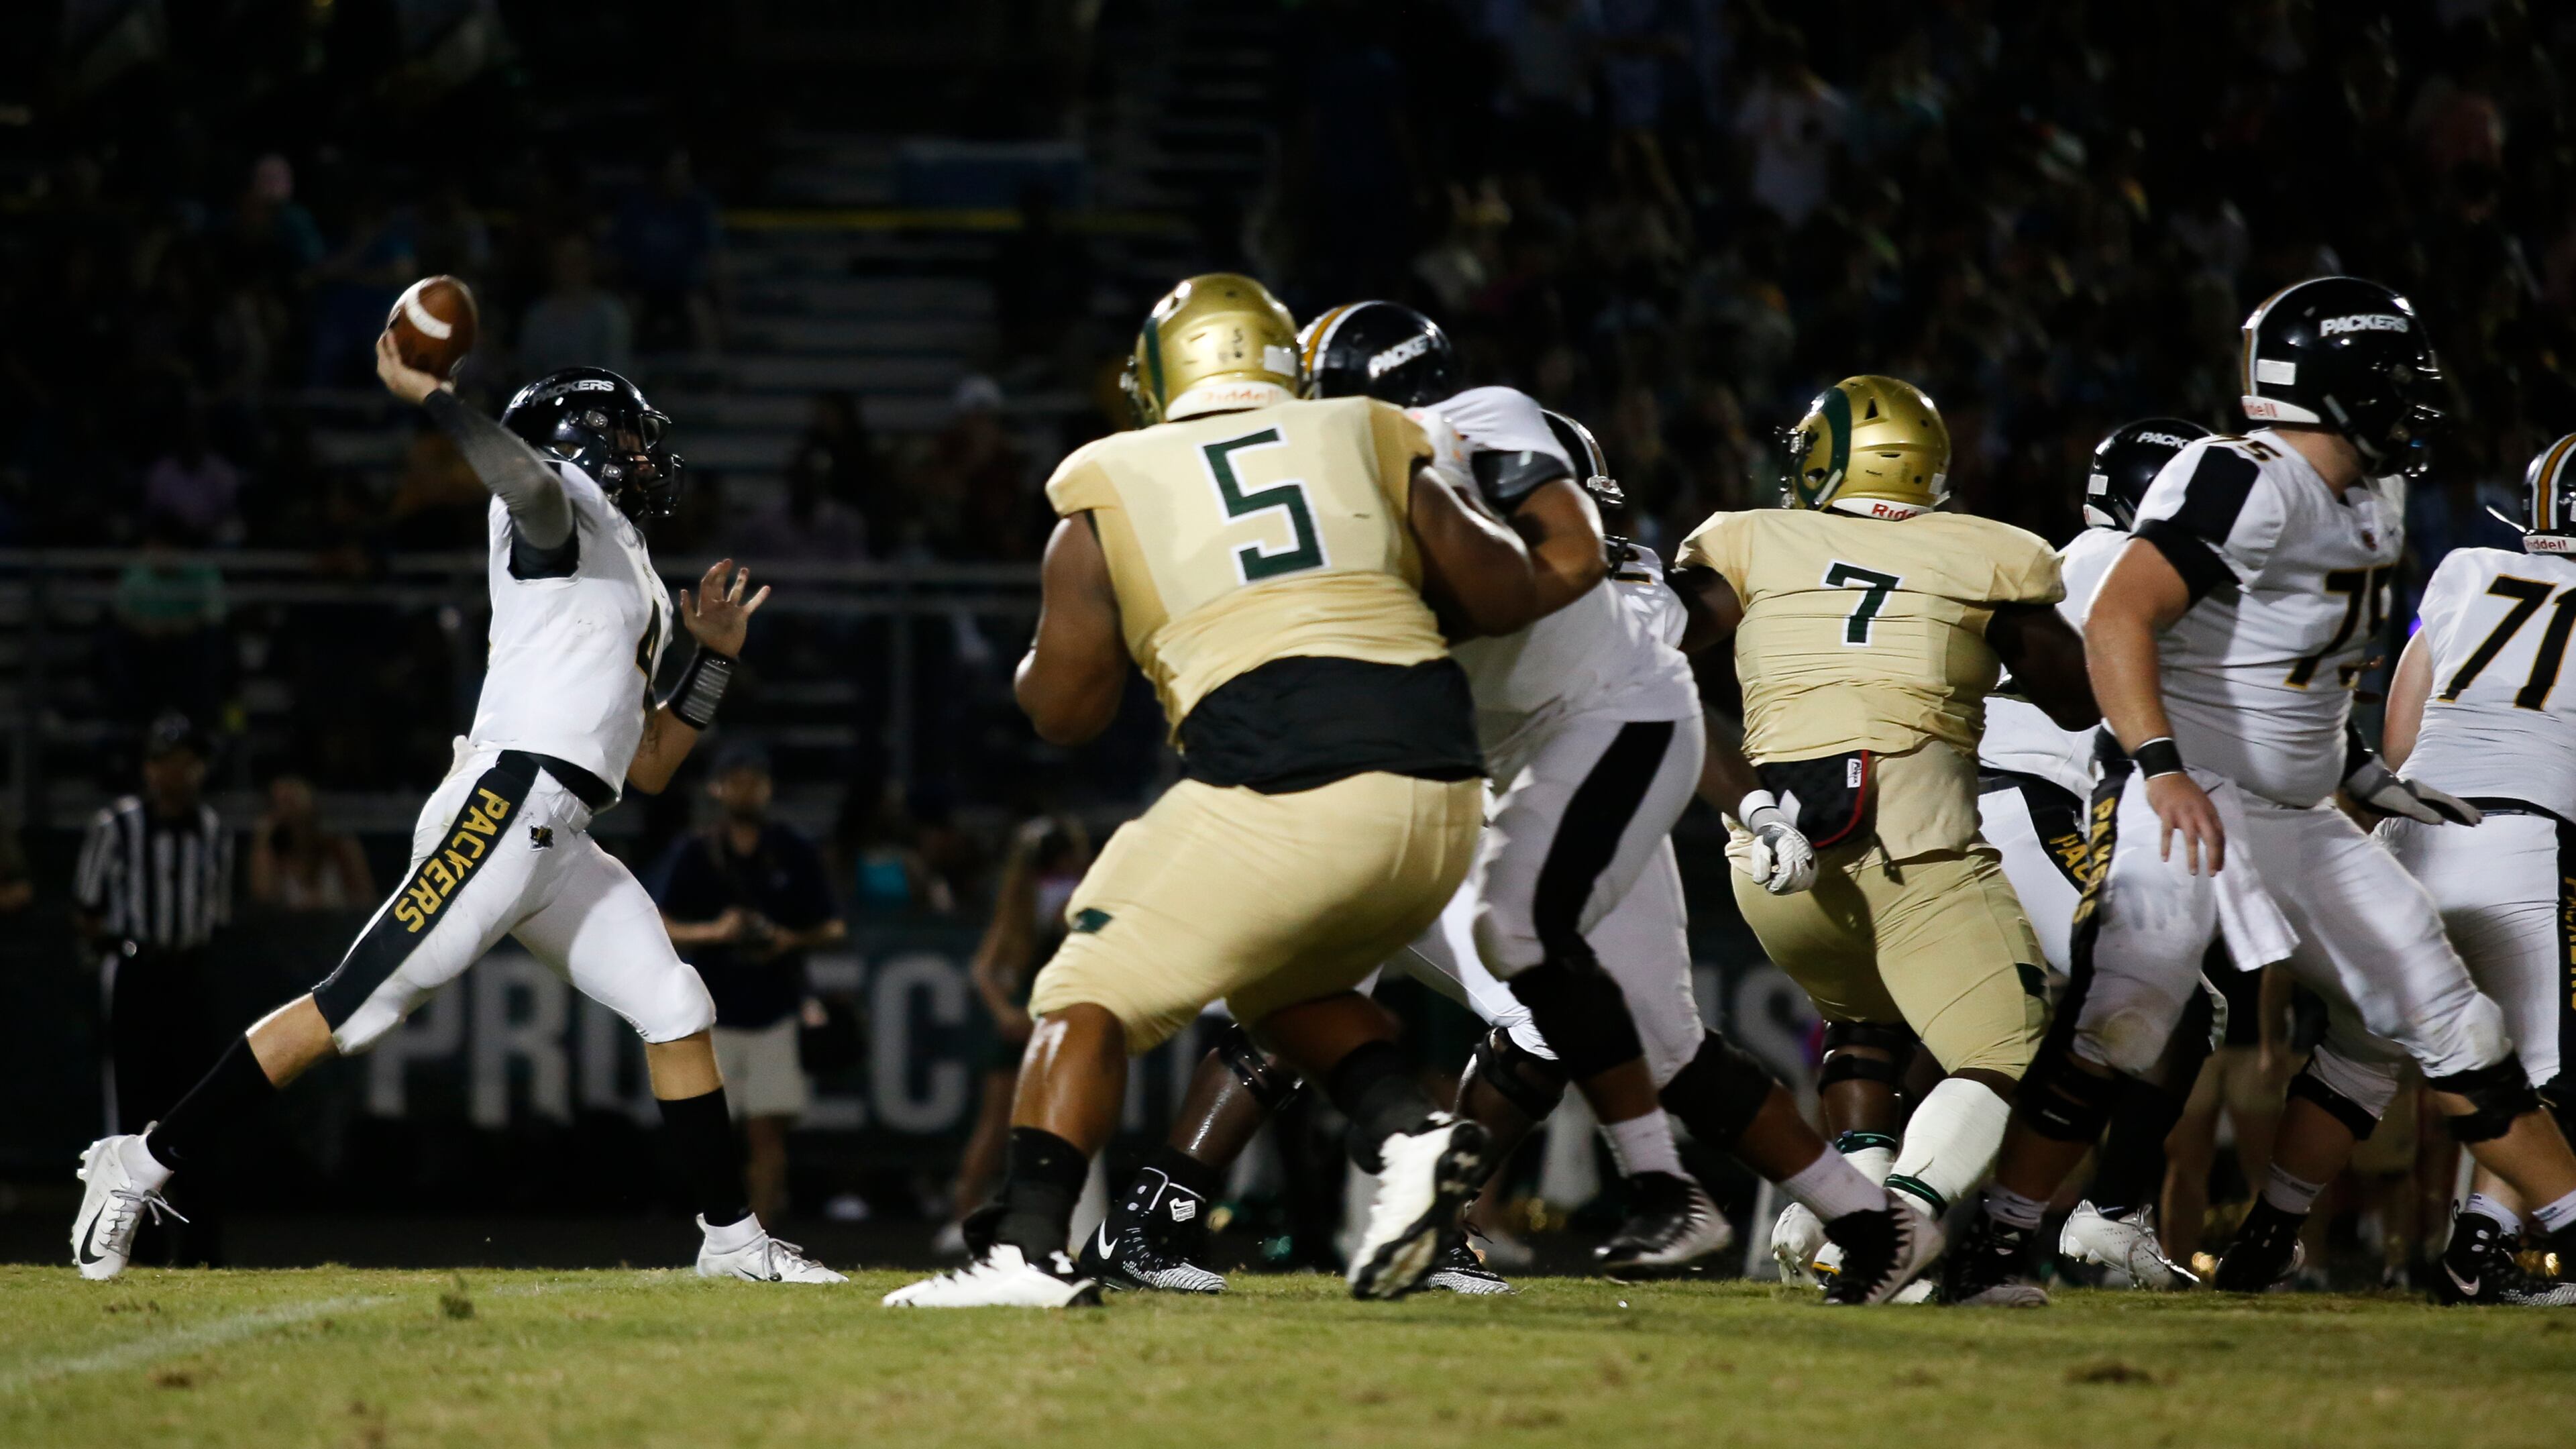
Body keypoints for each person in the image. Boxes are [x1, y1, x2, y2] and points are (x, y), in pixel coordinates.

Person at [1078, 304, 1926, 1304]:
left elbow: (1634, 654)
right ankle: (1246, 1218)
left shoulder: (1488, 461)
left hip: (1562, 771)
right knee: (1368, 985)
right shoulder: (1366, 498)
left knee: (1654, 1035)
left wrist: (1753, 806)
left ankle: (1867, 1224)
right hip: (1447, 782)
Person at [68, 334, 839, 1285]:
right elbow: (530, 485)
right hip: (508, 804)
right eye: (630, 436)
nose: (647, 457)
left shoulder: (627, 564)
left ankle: (732, 1242)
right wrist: (439, 398)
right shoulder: (561, 500)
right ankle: (136, 1164)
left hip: (565, 830)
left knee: (678, 1004)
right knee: (357, 1005)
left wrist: (712, 661)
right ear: (580, 440)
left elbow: (646, 766)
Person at [884, 272, 1543, 1307]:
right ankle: (1413, 1144)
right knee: (1288, 987)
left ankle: (1025, 1248)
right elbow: (1505, 590)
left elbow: (1063, 711)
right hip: (1445, 788)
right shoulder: (1367, 432)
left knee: (1083, 985)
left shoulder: (1108, 478)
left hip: (1286, 773)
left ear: (1158, 378)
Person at [1946, 276, 2576, 1307]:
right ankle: (1998, 1241)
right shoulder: (2242, 477)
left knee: (2446, 1016)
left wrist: (2364, 772)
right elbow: (2119, 619)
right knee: (2129, 1012)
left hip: (2291, 811)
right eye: (2393, 378)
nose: (2415, 397)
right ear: (2331, 387)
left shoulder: (2373, 495)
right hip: (2188, 790)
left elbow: (2298, 677)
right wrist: (2160, 767)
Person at [1668, 375, 2098, 1296]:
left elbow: (1657, 643)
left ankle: (1846, 1218)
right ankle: (1895, 1223)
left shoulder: (1748, 538)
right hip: (1917, 847)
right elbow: (2074, 698)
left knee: (1868, 1018)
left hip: (1770, 863)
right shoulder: (1989, 552)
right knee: (2015, 1048)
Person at [1975, 417, 2230, 1291]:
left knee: (1993, 1028)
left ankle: (1877, 1199)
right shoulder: (2113, 561)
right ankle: (2106, 1219)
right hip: (2031, 792)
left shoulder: (2082, 557)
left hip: (2021, 791)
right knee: (2174, 1003)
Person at [2375, 432, 2576, 1305]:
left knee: (2355, 1066)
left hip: (2407, 840)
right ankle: (2480, 1245)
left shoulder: (2462, 571)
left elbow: (2396, 734)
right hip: (2528, 844)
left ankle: (2272, 1237)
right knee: (2550, 1073)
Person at [652, 741, 846, 1229]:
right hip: (710, 1009)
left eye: (755, 780)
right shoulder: (695, 852)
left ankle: (761, 1234)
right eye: (736, 779)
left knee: (766, 1134)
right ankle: (722, 1230)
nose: (746, 790)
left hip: (774, 1007)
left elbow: (833, 926)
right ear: (718, 788)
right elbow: (660, 922)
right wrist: (716, 931)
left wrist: (787, 939)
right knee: (713, 1135)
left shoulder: (793, 849)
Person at [74, 712, 235, 1267]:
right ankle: (126, 1245)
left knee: (196, 1110)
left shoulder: (213, 830)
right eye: (170, 762)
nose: (180, 773)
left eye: (189, 762)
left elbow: (217, 914)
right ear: (149, 768)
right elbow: (89, 909)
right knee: (131, 1110)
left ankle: (198, 1247)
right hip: (136, 973)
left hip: (188, 972)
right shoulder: (116, 826)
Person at [938, 815, 1091, 1257]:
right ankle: (968, 1215)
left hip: (1042, 1019)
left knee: (1013, 1126)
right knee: (1016, 1125)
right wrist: (1009, 1013)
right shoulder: (1060, 899)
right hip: (1045, 1021)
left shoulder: (1027, 898)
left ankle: (982, 1217)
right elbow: (986, 968)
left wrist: (1006, 1012)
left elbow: (984, 969)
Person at [248, 774, 376, 912]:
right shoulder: (272, 857)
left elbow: (367, 901)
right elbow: (263, 900)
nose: (292, 811)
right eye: (283, 803)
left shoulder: (341, 849)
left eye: (293, 800)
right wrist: (263, 838)